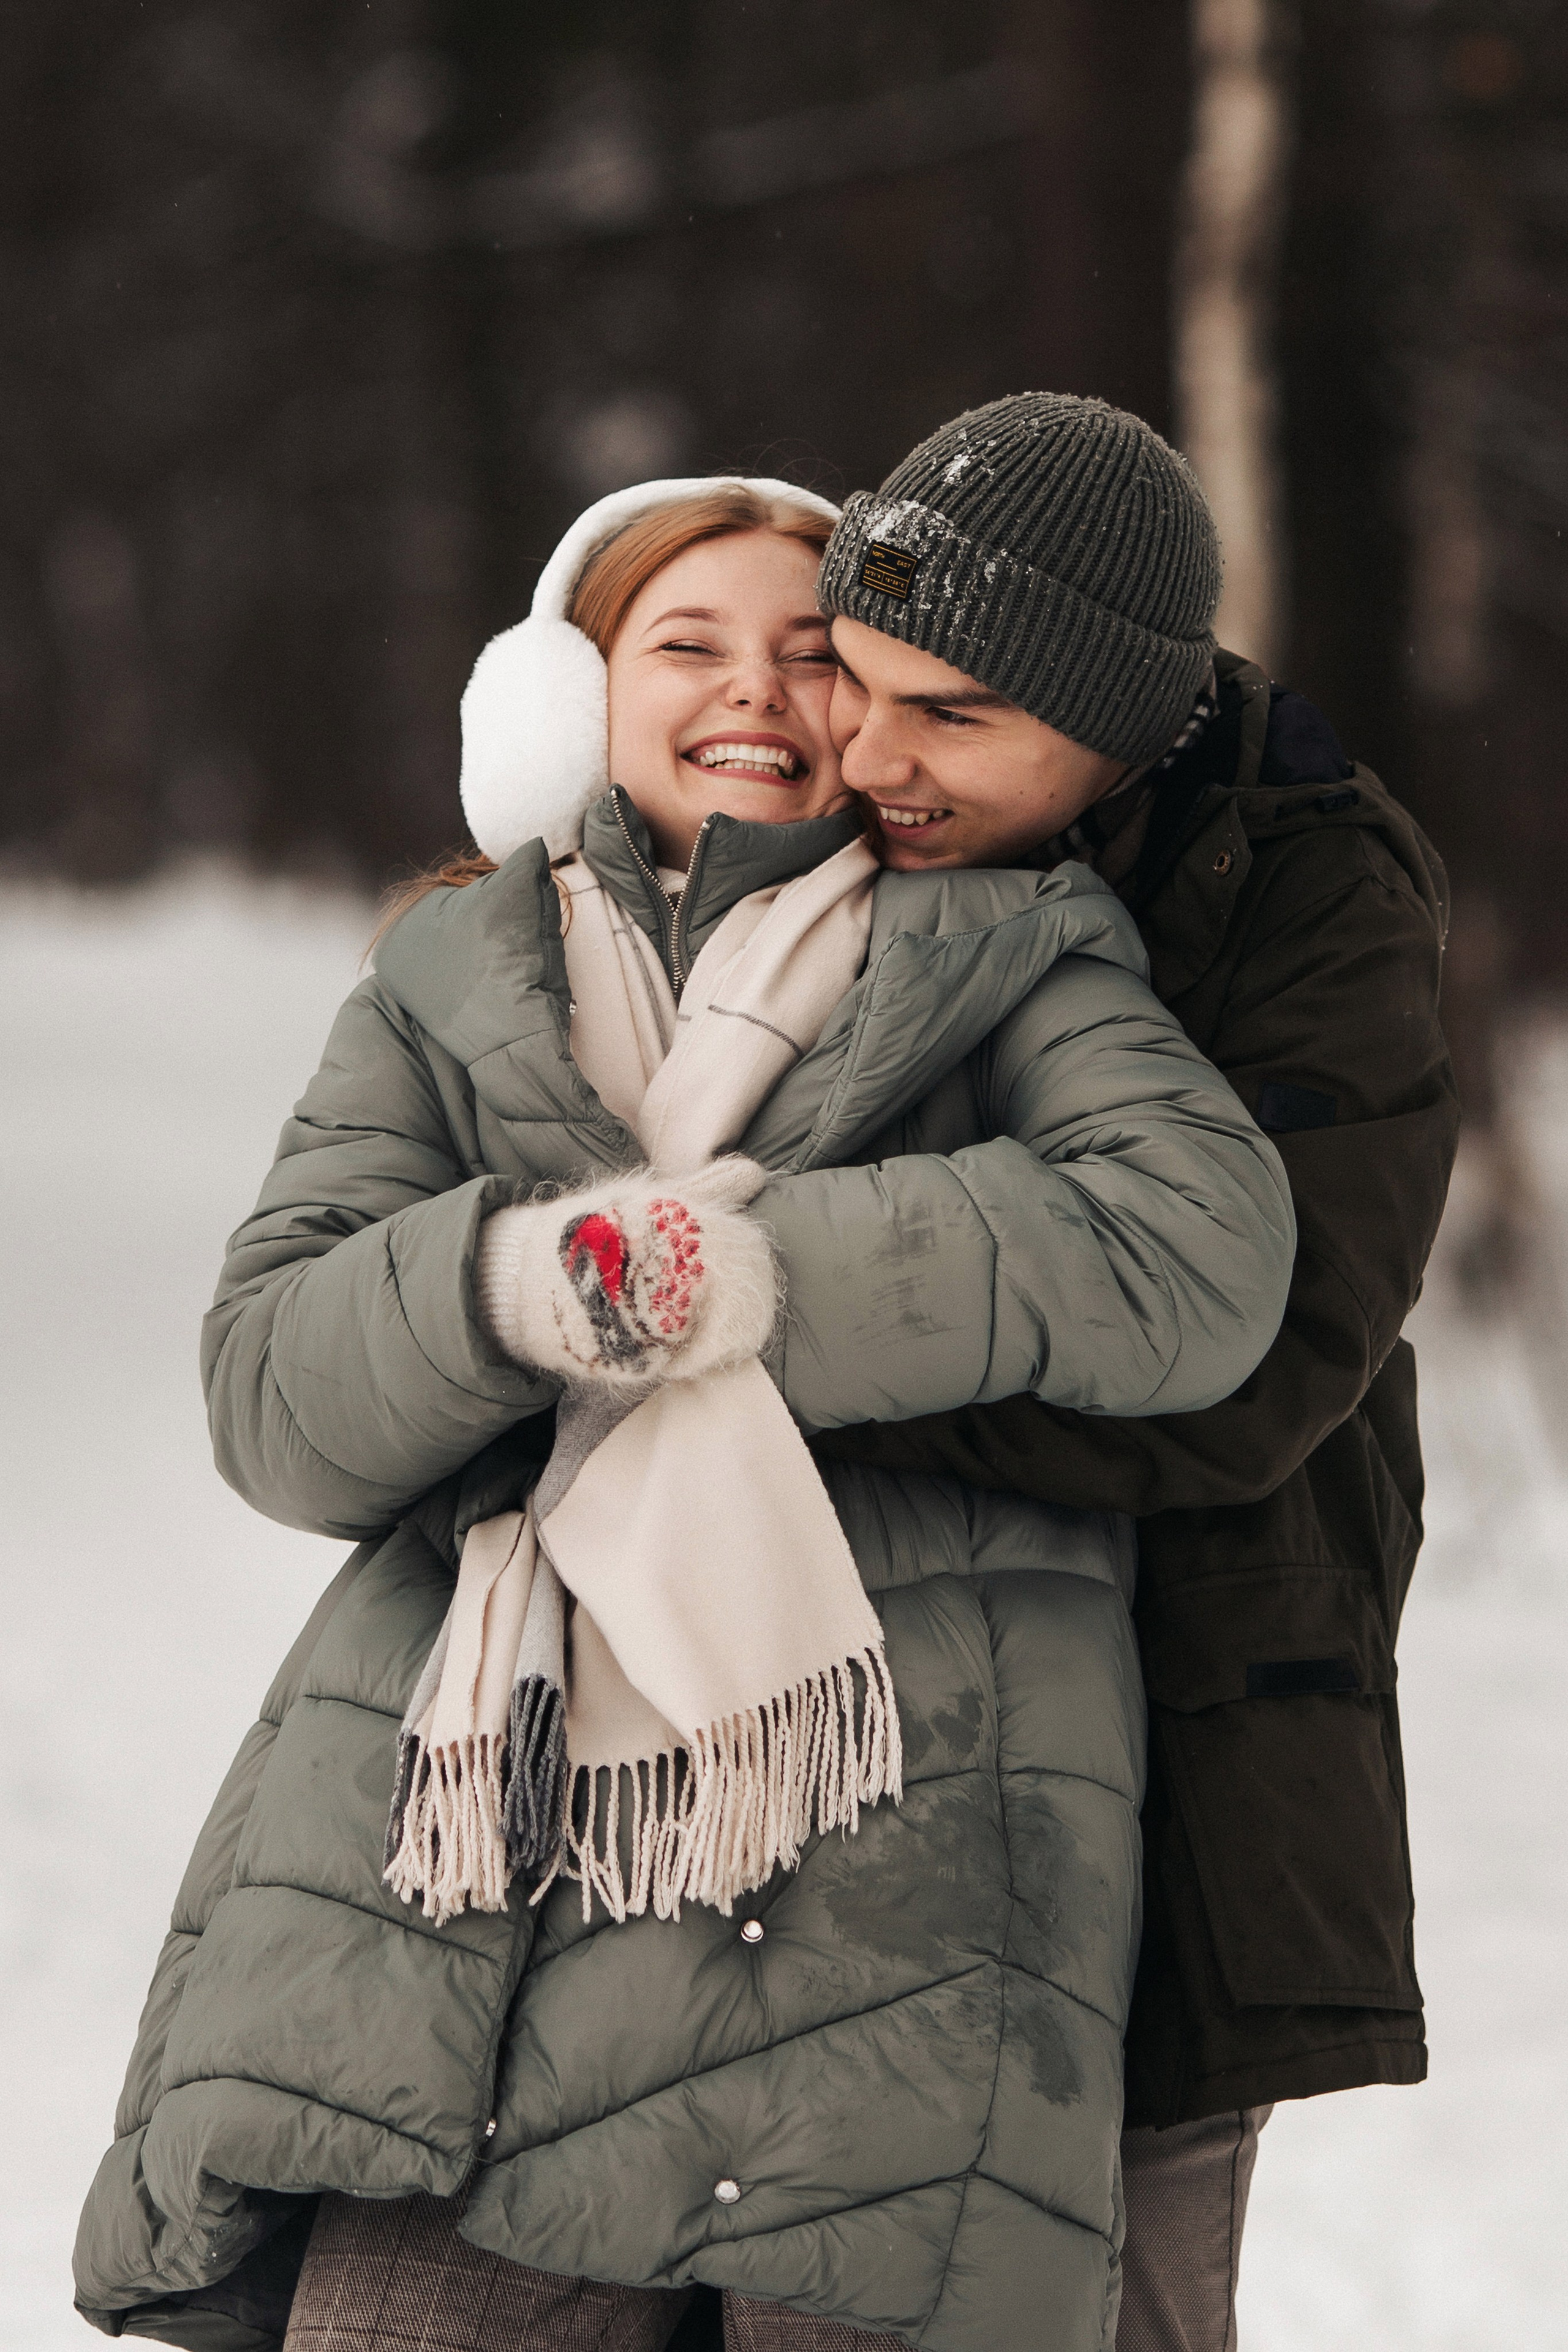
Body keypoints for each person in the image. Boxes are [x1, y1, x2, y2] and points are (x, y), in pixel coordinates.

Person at [75, 463, 1294, 2352]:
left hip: (888, 1871)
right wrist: (516, 1291)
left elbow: (1192, 1252)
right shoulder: (444, 982)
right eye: (686, 643)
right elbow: (272, 1396)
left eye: (815, 655)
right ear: (572, 694)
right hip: (466, 1886)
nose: (753, 691)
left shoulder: (1009, 949)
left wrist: (753, 1281)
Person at [813, 393, 1460, 2352]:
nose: (868, 752)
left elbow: (1250, 1371)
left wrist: (792, 1372)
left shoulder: (1318, 897)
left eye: (945, 714)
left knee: (1128, 2287)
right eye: (855, 683)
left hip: (1198, 1689)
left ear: (1115, 719)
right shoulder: (844, 836)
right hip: (870, 1694)